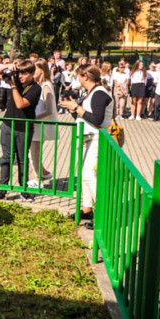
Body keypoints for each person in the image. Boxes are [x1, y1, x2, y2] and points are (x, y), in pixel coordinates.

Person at [59, 66, 112, 219]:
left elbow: (97, 119)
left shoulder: (99, 93)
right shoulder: (91, 93)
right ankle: (87, 209)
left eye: (78, 77)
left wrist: (76, 107)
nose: (77, 80)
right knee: (84, 175)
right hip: (88, 137)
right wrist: (73, 110)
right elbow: (84, 118)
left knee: (89, 175)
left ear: (85, 77)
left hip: (98, 138)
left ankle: (103, 212)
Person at [0, 60, 41, 201]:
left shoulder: (36, 88)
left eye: (24, 74)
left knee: (22, 160)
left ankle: (23, 189)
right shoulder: (15, 80)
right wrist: (7, 66)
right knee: (6, 158)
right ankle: (2, 189)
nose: (21, 76)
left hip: (24, 129)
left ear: (31, 74)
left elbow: (20, 104)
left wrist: (13, 87)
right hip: (8, 126)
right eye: (19, 73)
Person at [27, 60, 58, 189]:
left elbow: (49, 109)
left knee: (34, 154)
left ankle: (38, 179)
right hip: (38, 125)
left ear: (42, 70)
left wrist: (33, 118)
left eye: (35, 68)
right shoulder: (42, 85)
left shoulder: (46, 86)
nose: (33, 71)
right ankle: (44, 173)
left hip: (40, 125)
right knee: (34, 153)